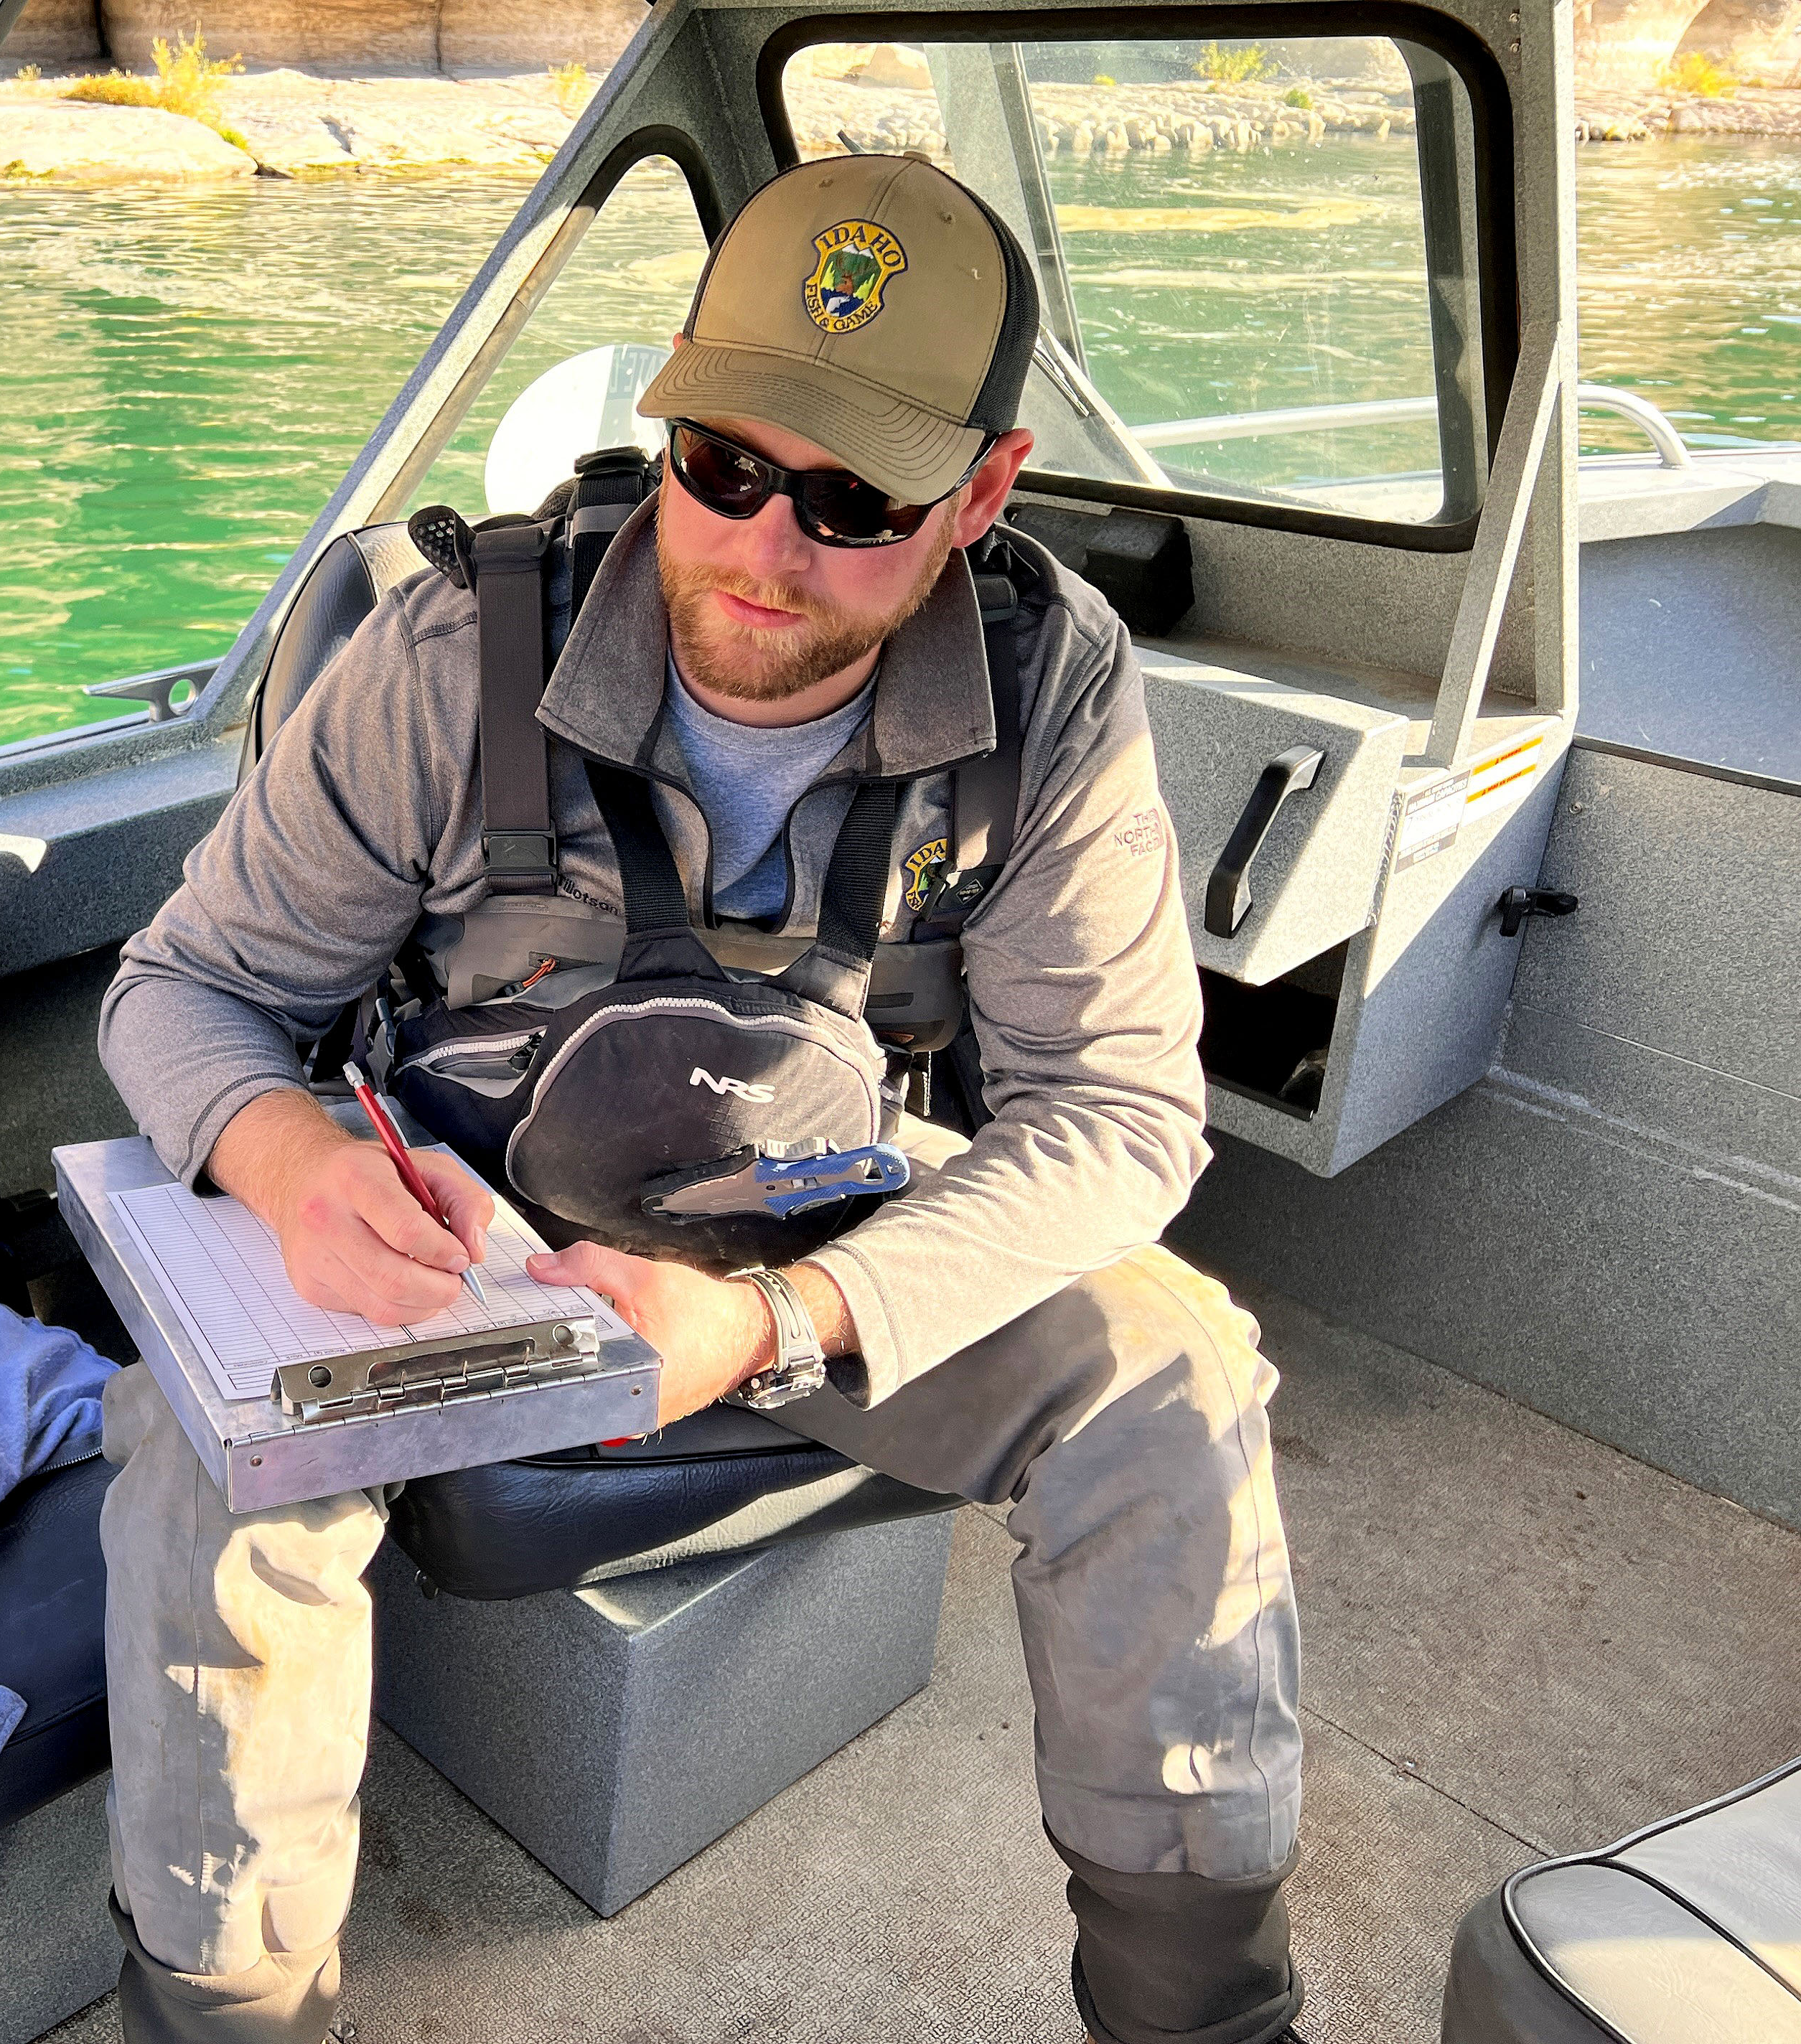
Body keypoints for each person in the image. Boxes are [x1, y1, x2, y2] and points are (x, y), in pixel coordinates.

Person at [95, 153, 1305, 2044]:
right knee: (197, 1467)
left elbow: (1125, 1114)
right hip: (469, 1254)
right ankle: (232, 2011)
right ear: (666, 407)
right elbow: (190, 991)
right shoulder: (454, 655)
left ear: (983, 493)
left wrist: (773, 1320)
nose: (762, 548)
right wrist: (291, 1156)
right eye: (722, 466)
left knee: (1177, 1378)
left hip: (819, 1245)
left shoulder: (1047, 692)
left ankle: (1203, 2013)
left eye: (853, 503)